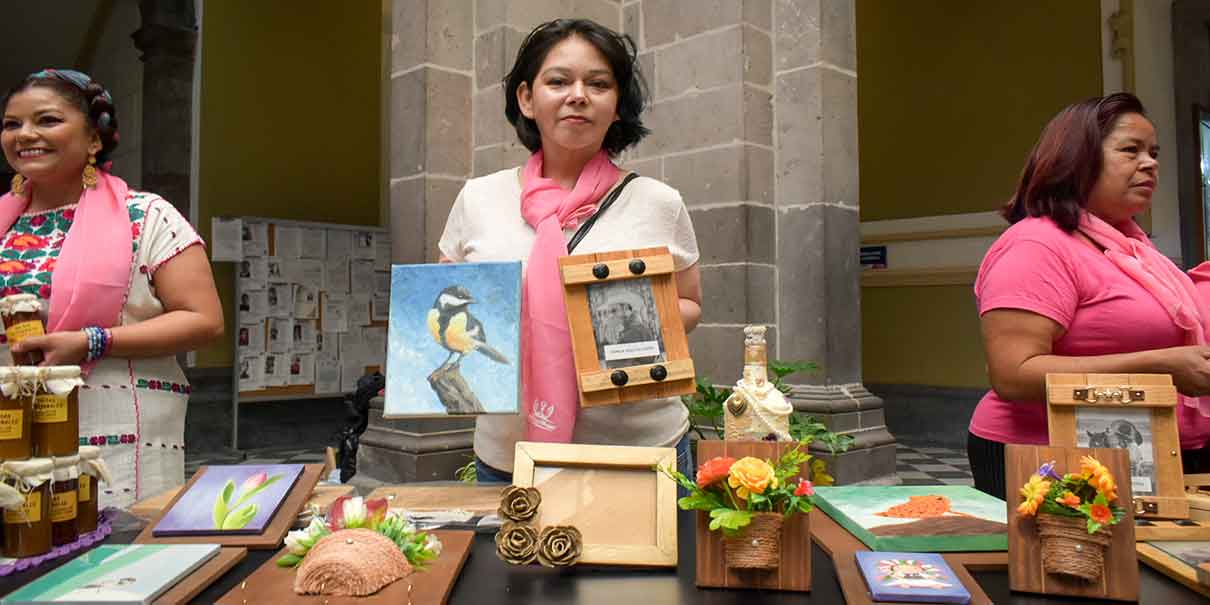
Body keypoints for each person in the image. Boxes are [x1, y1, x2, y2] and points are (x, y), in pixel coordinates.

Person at [437, 19, 702, 483]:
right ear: (526, 98)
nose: (577, 94)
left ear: (617, 104)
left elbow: (691, 305)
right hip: (509, 455)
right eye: (558, 81)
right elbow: (443, 308)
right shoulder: (477, 199)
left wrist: (610, 322)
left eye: (598, 83)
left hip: (639, 449)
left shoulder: (658, 202)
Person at [968, 93, 1210, 499]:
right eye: (1130, 150)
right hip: (1044, 456)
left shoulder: (1135, 250)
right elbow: (1013, 374)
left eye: (1153, 153)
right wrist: (1162, 367)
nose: (1150, 164)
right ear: (1076, 159)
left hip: (1149, 453)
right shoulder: (1037, 245)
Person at [0, 69, 223, 508]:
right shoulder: (4, 224)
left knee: (111, 566)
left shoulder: (146, 215)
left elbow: (204, 320)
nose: (25, 134)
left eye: (47, 120)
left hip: (115, 433)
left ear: (94, 141)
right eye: (12, 124)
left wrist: (91, 341)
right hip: (13, 431)